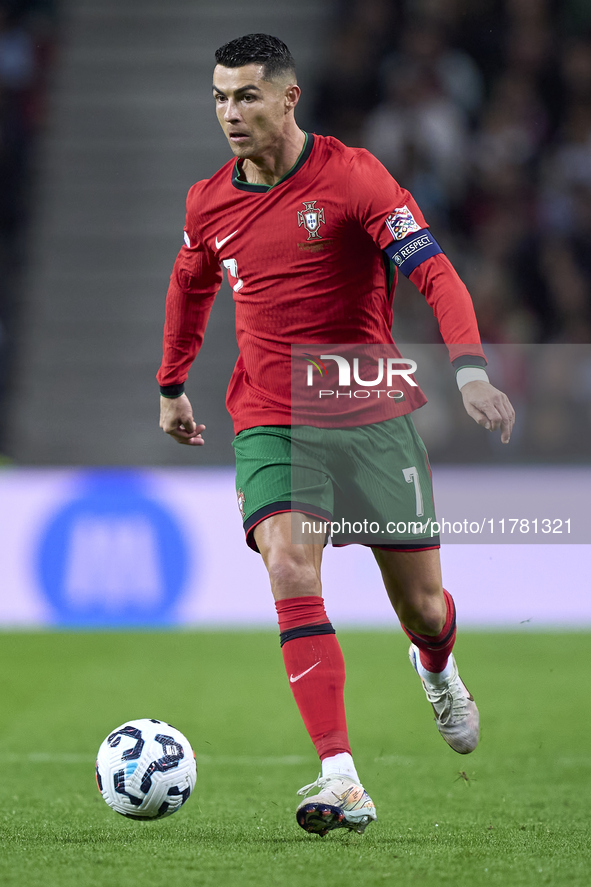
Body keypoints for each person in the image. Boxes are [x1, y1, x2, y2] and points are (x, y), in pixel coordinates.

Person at [157, 34, 515, 837]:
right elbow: (189, 288)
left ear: (288, 97)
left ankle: (436, 667)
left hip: (370, 413)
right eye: (218, 96)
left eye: (246, 95)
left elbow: (435, 272)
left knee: (422, 607)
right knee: (287, 558)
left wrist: (468, 371)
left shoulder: (354, 178)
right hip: (271, 417)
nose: (229, 112)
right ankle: (340, 774)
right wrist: (172, 383)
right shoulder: (207, 201)